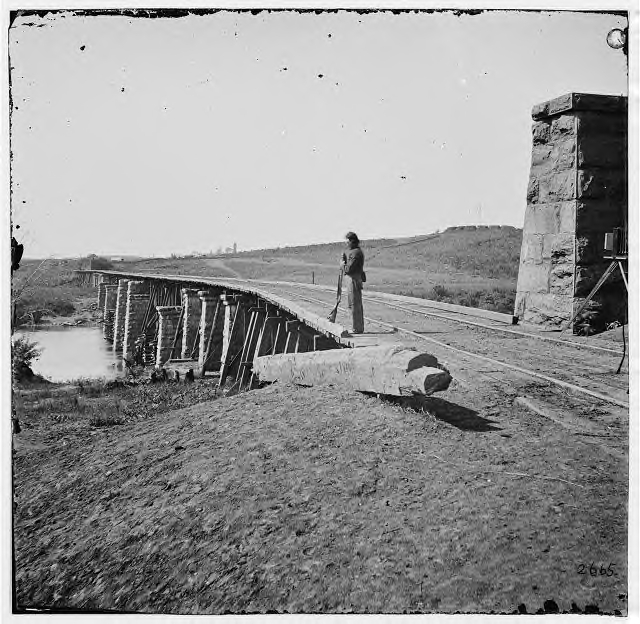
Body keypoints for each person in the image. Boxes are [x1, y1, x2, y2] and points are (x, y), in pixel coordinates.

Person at [341, 231, 365, 334]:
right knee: (354, 303)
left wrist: (342, 264)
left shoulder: (355, 253)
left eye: (348, 241)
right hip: (353, 280)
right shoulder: (355, 252)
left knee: (354, 304)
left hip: (353, 280)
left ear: (352, 241)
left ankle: (357, 328)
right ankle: (356, 327)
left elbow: (349, 269)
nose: (346, 244)